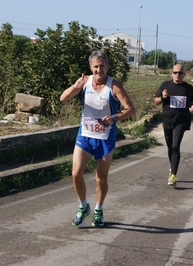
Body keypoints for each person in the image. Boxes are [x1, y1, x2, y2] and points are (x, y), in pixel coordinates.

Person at [60, 50, 136, 227]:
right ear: (90, 67)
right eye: (96, 66)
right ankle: (83, 206)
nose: (99, 70)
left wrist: (115, 118)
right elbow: (63, 99)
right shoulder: (84, 81)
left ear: (107, 66)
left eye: (102, 66)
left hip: (105, 137)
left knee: (101, 178)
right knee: (76, 173)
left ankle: (98, 210)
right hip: (85, 135)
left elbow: (131, 109)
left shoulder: (114, 86)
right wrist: (75, 87)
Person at [154, 64, 193, 187]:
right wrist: (163, 97)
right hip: (167, 120)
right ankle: (172, 167)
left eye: (180, 73)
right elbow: (156, 102)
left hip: (181, 121)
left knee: (176, 146)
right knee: (170, 148)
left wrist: (192, 108)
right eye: (175, 72)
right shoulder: (165, 85)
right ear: (171, 73)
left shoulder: (188, 88)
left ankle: (173, 175)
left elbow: (191, 103)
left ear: (184, 74)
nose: (177, 75)